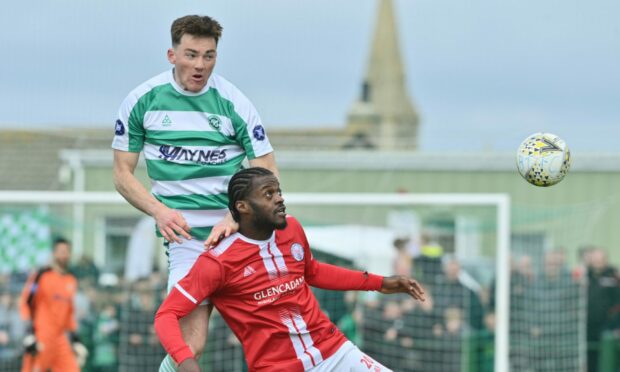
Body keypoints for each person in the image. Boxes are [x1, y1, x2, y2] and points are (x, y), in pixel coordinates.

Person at [111, 15, 278, 371]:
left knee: (277, 335)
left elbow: (267, 172)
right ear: (172, 55)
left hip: (238, 238)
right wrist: (158, 211)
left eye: (209, 55)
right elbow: (122, 174)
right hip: (187, 242)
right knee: (190, 347)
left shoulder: (234, 103)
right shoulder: (142, 101)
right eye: (191, 54)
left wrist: (235, 216)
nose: (200, 65)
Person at [154, 167, 426, 371]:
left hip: (335, 352)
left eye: (279, 192)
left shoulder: (292, 229)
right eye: (268, 194)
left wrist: (380, 283)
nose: (280, 199)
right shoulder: (218, 261)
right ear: (242, 207)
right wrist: (186, 362)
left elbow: (313, 271)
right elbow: (166, 315)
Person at [19, 238, 87, 372]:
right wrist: (29, 334)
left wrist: (76, 340)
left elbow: (69, 314)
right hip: (42, 336)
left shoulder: (71, 280)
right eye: (61, 251)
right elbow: (26, 302)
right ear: (54, 254)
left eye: (67, 251)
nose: (64, 255)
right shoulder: (41, 276)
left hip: (60, 338)